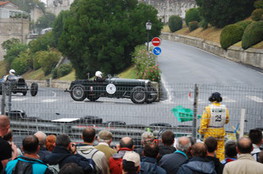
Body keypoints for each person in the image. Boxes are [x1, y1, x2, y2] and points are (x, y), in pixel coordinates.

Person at [199, 92, 230, 161]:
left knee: (208, 149)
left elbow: (204, 122)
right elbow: (227, 120)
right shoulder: (225, 108)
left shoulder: (208, 109)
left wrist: (201, 131)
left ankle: (208, 162)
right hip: (221, 132)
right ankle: (220, 163)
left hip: (210, 132)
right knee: (220, 150)